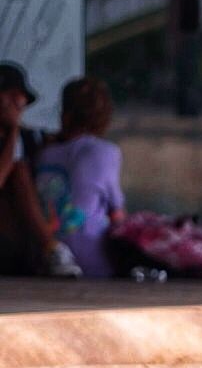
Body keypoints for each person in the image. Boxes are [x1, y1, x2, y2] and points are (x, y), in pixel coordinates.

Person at [34, 77, 126, 279]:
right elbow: (117, 214)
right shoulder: (106, 152)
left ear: (64, 113)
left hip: (48, 258)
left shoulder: (44, 154)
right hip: (95, 262)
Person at [0, 62, 80, 277]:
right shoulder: (15, 137)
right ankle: (52, 249)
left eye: (21, 96)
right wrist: (12, 132)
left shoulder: (32, 137)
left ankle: (53, 251)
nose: (18, 102)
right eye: (10, 95)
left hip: (23, 241)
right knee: (18, 171)